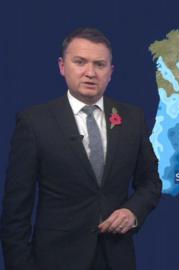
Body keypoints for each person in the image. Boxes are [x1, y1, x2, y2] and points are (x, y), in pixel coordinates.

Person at [0, 27, 162, 270]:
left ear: (111, 72)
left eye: (99, 64)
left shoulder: (132, 118)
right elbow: (15, 211)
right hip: (54, 260)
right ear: (62, 66)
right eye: (80, 62)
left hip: (116, 259)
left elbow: (150, 182)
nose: (90, 73)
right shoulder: (35, 122)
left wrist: (132, 212)